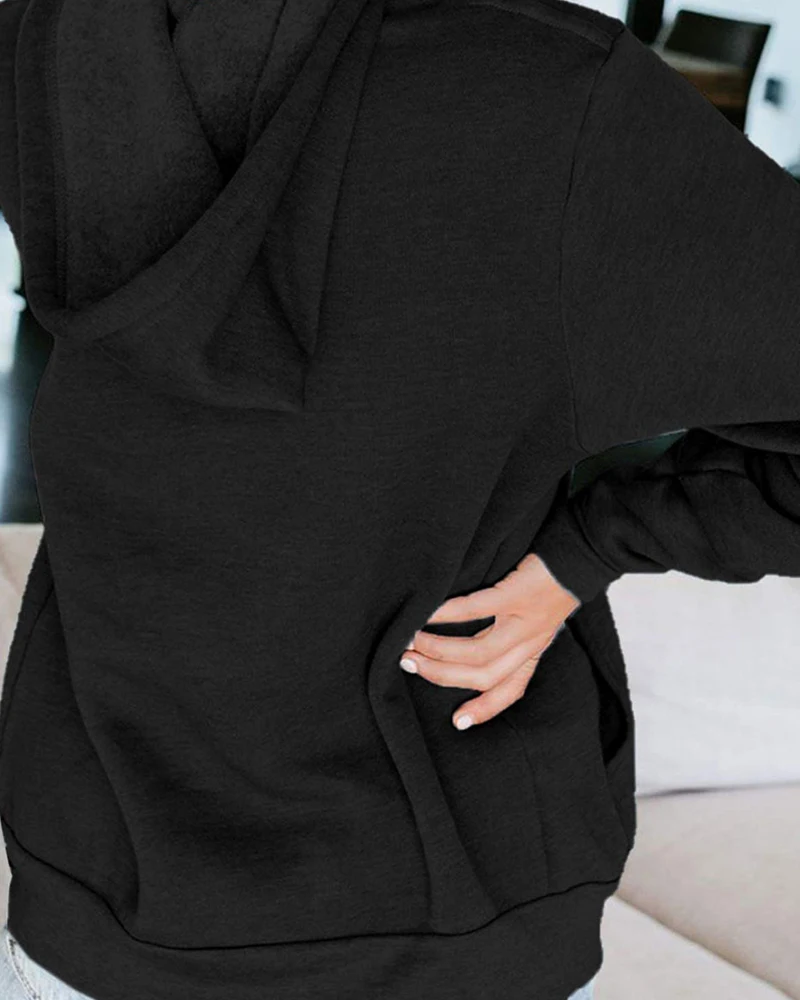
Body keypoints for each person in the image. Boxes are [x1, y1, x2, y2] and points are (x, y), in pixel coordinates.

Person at [0, 0, 798, 998]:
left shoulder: (48, 40)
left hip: (94, 897)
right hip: (449, 910)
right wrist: (590, 545)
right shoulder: (538, 85)